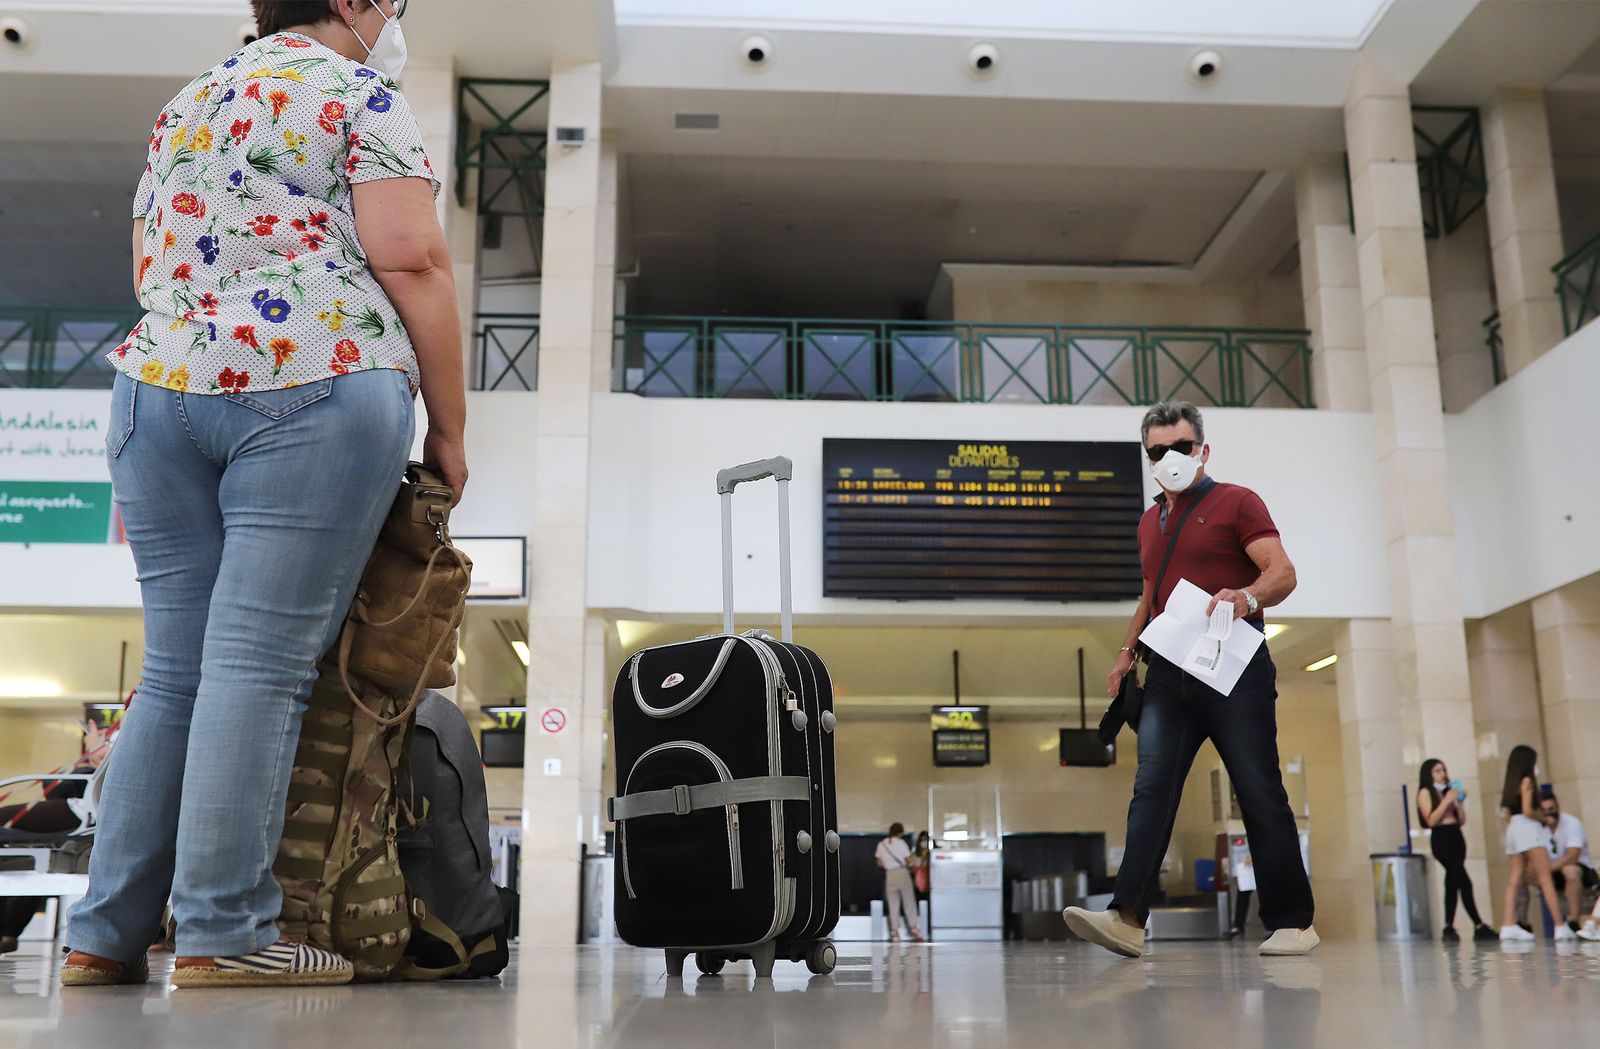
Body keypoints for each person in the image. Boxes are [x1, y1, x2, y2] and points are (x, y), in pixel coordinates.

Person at [64, 0, 468, 990]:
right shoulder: (359, 94)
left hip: (156, 392)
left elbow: (144, 262)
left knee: (176, 672)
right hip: (312, 380)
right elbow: (411, 254)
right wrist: (451, 424)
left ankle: (104, 934)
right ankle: (224, 928)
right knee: (257, 664)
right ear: (349, 5)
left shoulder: (186, 102)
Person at [1062, 401, 1318, 957]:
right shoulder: (1150, 521)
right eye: (1157, 451)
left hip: (1235, 669)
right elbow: (1150, 595)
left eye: (1180, 447)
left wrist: (1247, 597)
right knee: (1151, 787)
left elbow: (1283, 571)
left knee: (1257, 786)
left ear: (1203, 449)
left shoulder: (1237, 502)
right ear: (1148, 457)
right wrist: (1126, 651)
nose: (1169, 458)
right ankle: (1127, 918)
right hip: (1169, 670)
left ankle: (1294, 922)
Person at [1417, 758, 1496, 942]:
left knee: (1452, 882)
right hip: (1441, 837)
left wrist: (1459, 802)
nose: (1442, 774)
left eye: (1443, 770)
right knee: (1463, 881)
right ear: (1429, 773)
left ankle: (1449, 927)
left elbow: (1461, 820)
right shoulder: (1426, 792)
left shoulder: (1449, 791)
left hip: (1455, 835)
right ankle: (1478, 924)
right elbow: (1430, 820)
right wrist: (1446, 801)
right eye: (1437, 771)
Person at [1497, 746, 1571, 941]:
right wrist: (1544, 818)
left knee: (1515, 879)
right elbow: (1528, 809)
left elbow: (1506, 812)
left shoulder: (1509, 784)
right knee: (1545, 877)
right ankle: (1559, 925)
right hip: (1529, 829)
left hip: (1514, 828)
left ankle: (1508, 924)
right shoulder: (1527, 781)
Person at [1538, 792, 1596, 933]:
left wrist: (1547, 869)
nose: (1549, 814)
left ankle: (1574, 921)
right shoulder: (1539, 827)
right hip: (1552, 871)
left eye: (1551, 809)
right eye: (1544, 811)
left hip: (1582, 870)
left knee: (1570, 871)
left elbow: (1573, 856)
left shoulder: (1571, 823)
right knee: (1524, 875)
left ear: (1557, 806)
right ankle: (1520, 923)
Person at [875, 822, 926, 943]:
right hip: (902, 873)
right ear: (900, 832)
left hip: (890, 875)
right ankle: (913, 928)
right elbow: (908, 859)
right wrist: (911, 866)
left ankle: (894, 932)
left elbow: (878, 861)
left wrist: (888, 865)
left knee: (893, 904)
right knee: (909, 901)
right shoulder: (901, 843)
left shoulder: (882, 844)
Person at [1228, 850, 1256, 939]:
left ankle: (1275, 927)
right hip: (1250, 865)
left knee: (1269, 896)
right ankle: (1238, 926)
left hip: (1266, 858)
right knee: (1242, 894)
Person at [911, 831, 933, 899]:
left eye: (926, 840)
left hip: (932, 884)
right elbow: (913, 870)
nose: (924, 842)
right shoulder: (914, 855)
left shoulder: (934, 854)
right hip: (919, 883)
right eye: (922, 840)